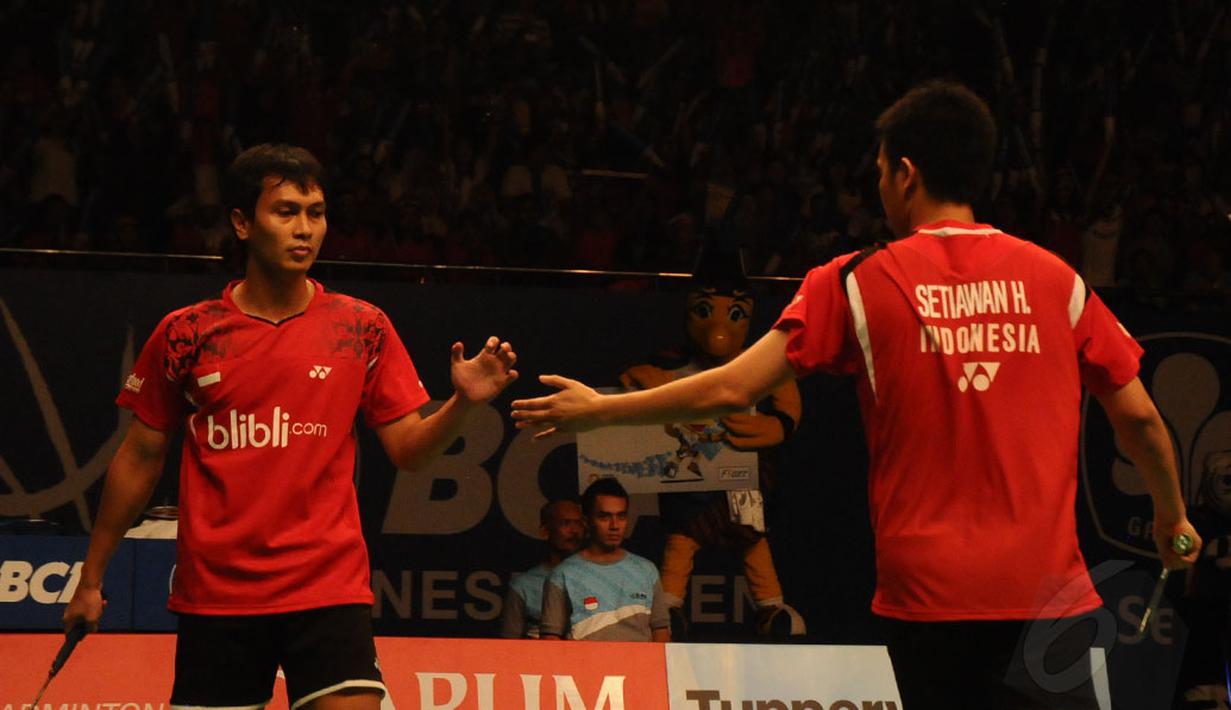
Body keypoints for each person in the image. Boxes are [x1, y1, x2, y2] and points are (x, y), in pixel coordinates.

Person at [512, 81, 1202, 708]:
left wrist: (600, 410)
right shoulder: (1059, 281)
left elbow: (730, 387)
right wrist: (1171, 522)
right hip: (1048, 601)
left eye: (878, 171)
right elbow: (1138, 420)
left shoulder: (854, 282)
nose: (878, 184)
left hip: (926, 602)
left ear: (905, 173)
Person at [62, 143, 519, 710]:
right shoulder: (187, 333)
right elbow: (138, 457)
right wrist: (91, 578)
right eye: (286, 212)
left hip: (327, 589)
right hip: (217, 598)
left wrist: (464, 404)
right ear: (242, 223)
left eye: (316, 212)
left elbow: (410, 452)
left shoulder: (361, 327)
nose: (305, 229)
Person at [538, 478, 670, 641]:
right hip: (584, 666)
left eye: (621, 516)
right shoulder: (562, 575)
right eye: (604, 517)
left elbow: (660, 632)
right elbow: (550, 640)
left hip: (639, 666)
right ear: (586, 521)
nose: (615, 525)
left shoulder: (647, 570)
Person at [499, 498, 585, 638]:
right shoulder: (523, 586)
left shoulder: (594, 577)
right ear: (545, 531)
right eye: (565, 523)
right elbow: (509, 645)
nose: (574, 531)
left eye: (579, 523)